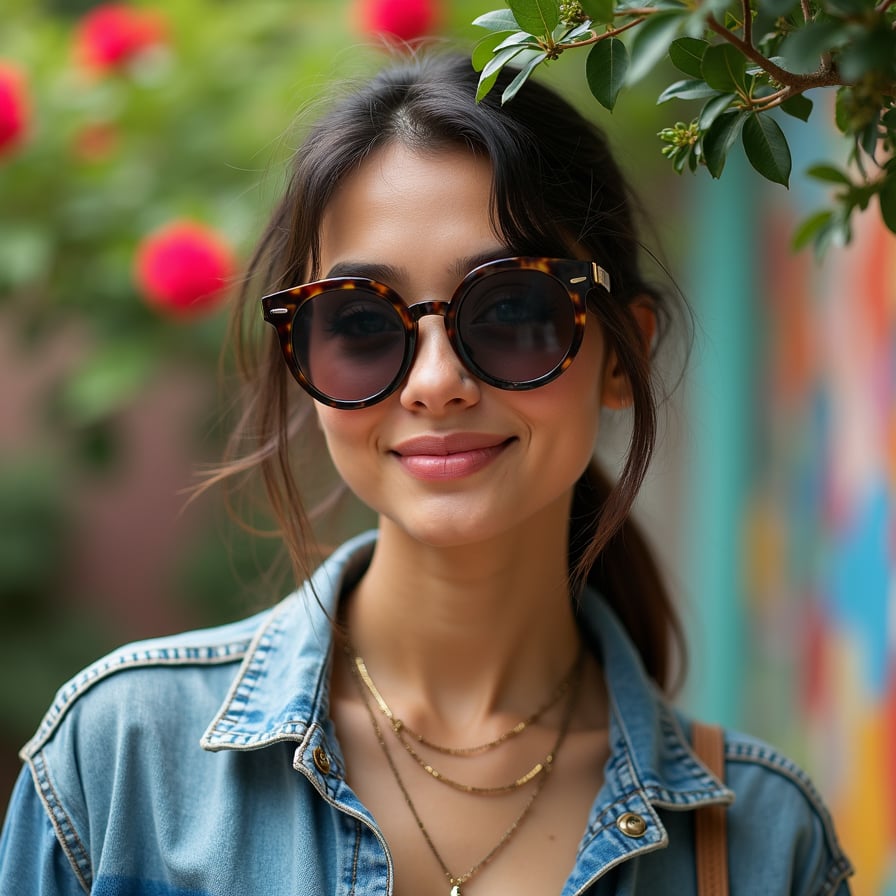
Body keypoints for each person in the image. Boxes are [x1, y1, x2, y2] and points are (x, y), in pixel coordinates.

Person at [0, 50, 852, 895]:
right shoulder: (119, 766)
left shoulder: (767, 845)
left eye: (511, 307)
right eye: (361, 321)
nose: (436, 382)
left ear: (624, 354)